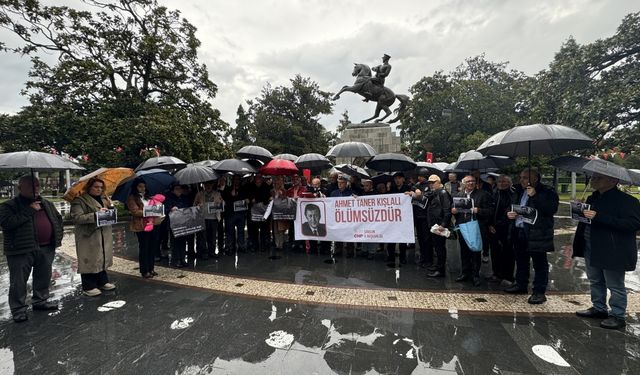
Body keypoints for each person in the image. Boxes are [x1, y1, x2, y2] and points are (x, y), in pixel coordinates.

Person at [572, 173, 640, 329]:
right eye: (593, 177)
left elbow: (633, 224)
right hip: (591, 245)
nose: (593, 180)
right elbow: (587, 220)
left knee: (614, 284)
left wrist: (599, 216)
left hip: (613, 249)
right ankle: (599, 308)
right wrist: (579, 210)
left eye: (598, 178)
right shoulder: (593, 198)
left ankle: (618, 315)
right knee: (595, 279)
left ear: (613, 180)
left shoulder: (627, 201)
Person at [0, 175, 63, 322]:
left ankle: (40, 301)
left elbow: (57, 219)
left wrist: (57, 236)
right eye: (30, 185)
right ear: (20, 188)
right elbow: (7, 223)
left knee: (43, 276)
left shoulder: (46, 203)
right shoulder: (9, 206)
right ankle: (18, 309)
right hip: (21, 249)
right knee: (19, 281)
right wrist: (29, 210)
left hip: (46, 247)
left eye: (36, 185)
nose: (35, 188)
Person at [505, 168, 559, 305]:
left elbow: (550, 209)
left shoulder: (547, 191)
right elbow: (513, 207)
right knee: (521, 260)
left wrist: (535, 196)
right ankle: (521, 284)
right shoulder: (518, 190)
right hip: (519, 230)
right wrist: (510, 213)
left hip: (537, 233)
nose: (521, 180)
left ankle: (539, 292)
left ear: (535, 179)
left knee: (539, 263)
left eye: (524, 177)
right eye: (521, 177)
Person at [70, 177, 116, 297]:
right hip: (89, 235)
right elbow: (77, 218)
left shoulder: (104, 199)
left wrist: (111, 208)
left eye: (101, 187)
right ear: (89, 187)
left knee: (101, 256)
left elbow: (110, 215)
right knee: (89, 258)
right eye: (96, 187)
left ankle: (102, 281)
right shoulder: (79, 201)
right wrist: (96, 215)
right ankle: (89, 286)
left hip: (103, 233)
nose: (99, 189)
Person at [451, 175, 492, 286]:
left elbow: (489, 211)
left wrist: (478, 210)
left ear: (476, 182)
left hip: (476, 226)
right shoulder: (459, 195)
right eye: (468, 181)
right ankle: (465, 273)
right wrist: (453, 210)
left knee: (475, 251)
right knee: (464, 250)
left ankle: (475, 275)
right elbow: (453, 208)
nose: (470, 183)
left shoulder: (483, 195)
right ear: (464, 183)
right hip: (462, 226)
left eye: (472, 181)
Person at [126, 178, 161, 276]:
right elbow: (135, 211)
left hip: (152, 224)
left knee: (152, 246)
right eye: (140, 186)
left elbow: (155, 207)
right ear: (135, 187)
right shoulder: (132, 198)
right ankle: (144, 270)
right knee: (144, 247)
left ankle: (151, 268)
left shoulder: (148, 197)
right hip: (141, 225)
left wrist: (156, 208)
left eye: (144, 186)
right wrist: (148, 212)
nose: (142, 188)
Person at [488, 175, 517, 285]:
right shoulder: (494, 193)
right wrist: (490, 224)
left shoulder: (513, 194)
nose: (502, 183)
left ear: (509, 183)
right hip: (493, 227)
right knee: (495, 251)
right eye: (500, 181)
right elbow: (490, 209)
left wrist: (501, 223)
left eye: (505, 181)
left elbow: (511, 210)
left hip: (507, 227)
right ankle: (496, 273)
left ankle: (508, 275)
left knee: (508, 252)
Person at [423, 175, 452, 278]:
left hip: (439, 226)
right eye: (430, 182)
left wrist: (443, 225)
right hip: (434, 225)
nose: (431, 184)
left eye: (433, 182)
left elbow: (447, 210)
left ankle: (441, 270)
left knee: (440, 248)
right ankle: (438, 266)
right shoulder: (435, 193)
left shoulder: (443, 193)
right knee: (436, 247)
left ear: (439, 182)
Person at [194, 180, 223, 259]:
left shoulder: (217, 194)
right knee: (203, 237)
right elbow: (194, 206)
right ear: (204, 185)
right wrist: (198, 205)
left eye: (210, 184)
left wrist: (220, 203)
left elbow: (223, 204)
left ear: (212, 185)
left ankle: (212, 252)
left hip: (214, 218)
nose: (208, 186)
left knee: (212, 237)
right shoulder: (199, 194)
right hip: (203, 218)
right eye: (206, 184)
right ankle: (203, 253)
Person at [164, 183, 191, 267]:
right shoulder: (169, 198)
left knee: (183, 241)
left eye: (180, 188)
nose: (179, 190)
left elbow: (188, 208)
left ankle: (182, 258)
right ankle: (177, 259)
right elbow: (165, 209)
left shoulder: (184, 198)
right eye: (177, 188)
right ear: (173, 190)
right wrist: (171, 209)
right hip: (174, 224)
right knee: (175, 242)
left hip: (183, 223)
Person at [387, 171, 411, 263]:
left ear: (403, 179)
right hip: (393, 218)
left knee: (402, 239)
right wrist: (388, 189)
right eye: (395, 179)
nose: (397, 180)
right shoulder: (392, 189)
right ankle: (391, 257)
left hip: (404, 218)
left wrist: (410, 194)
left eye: (399, 178)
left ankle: (402, 257)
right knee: (391, 238)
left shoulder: (407, 188)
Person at [222, 175, 249, 253]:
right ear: (232, 180)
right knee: (230, 232)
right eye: (235, 179)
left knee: (241, 231)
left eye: (238, 179)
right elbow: (224, 200)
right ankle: (230, 247)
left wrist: (247, 200)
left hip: (241, 214)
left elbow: (246, 198)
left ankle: (241, 246)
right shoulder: (227, 189)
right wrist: (231, 195)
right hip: (230, 214)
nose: (236, 181)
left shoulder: (243, 189)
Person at [330, 174, 355, 256]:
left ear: (346, 183)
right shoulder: (334, 193)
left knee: (349, 234)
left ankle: (350, 251)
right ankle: (338, 250)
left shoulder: (351, 193)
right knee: (338, 234)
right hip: (338, 217)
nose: (340, 184)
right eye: (338, 183)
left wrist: (356, 198)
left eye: (342, 183)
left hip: (348, 217)